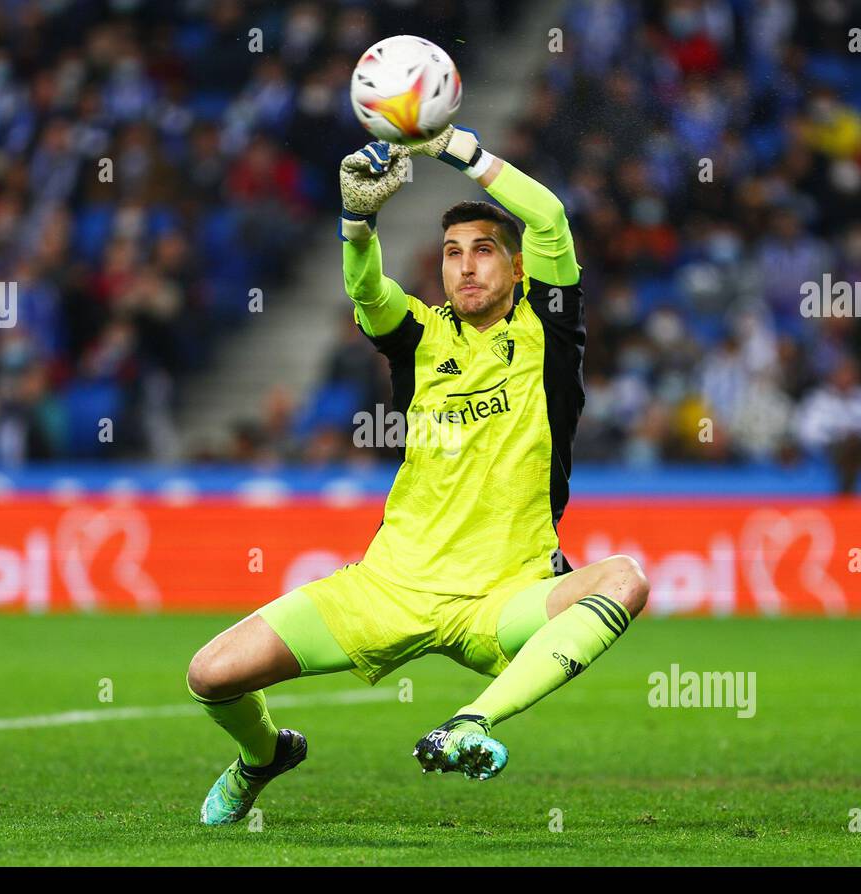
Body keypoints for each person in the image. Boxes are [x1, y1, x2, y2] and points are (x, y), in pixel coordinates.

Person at [188, 125, 649, 825]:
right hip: (387, 587)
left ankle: (469, 723)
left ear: (520, 268)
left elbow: (550, 216)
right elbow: (366, 289)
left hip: (502, 594)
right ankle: (264, 755)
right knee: (211, 675)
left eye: (484, 252)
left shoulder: (547, 332)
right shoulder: (420, 335)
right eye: (452, 253)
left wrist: (456, 149)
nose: (465, 267)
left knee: (624, 579)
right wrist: (356, 222)